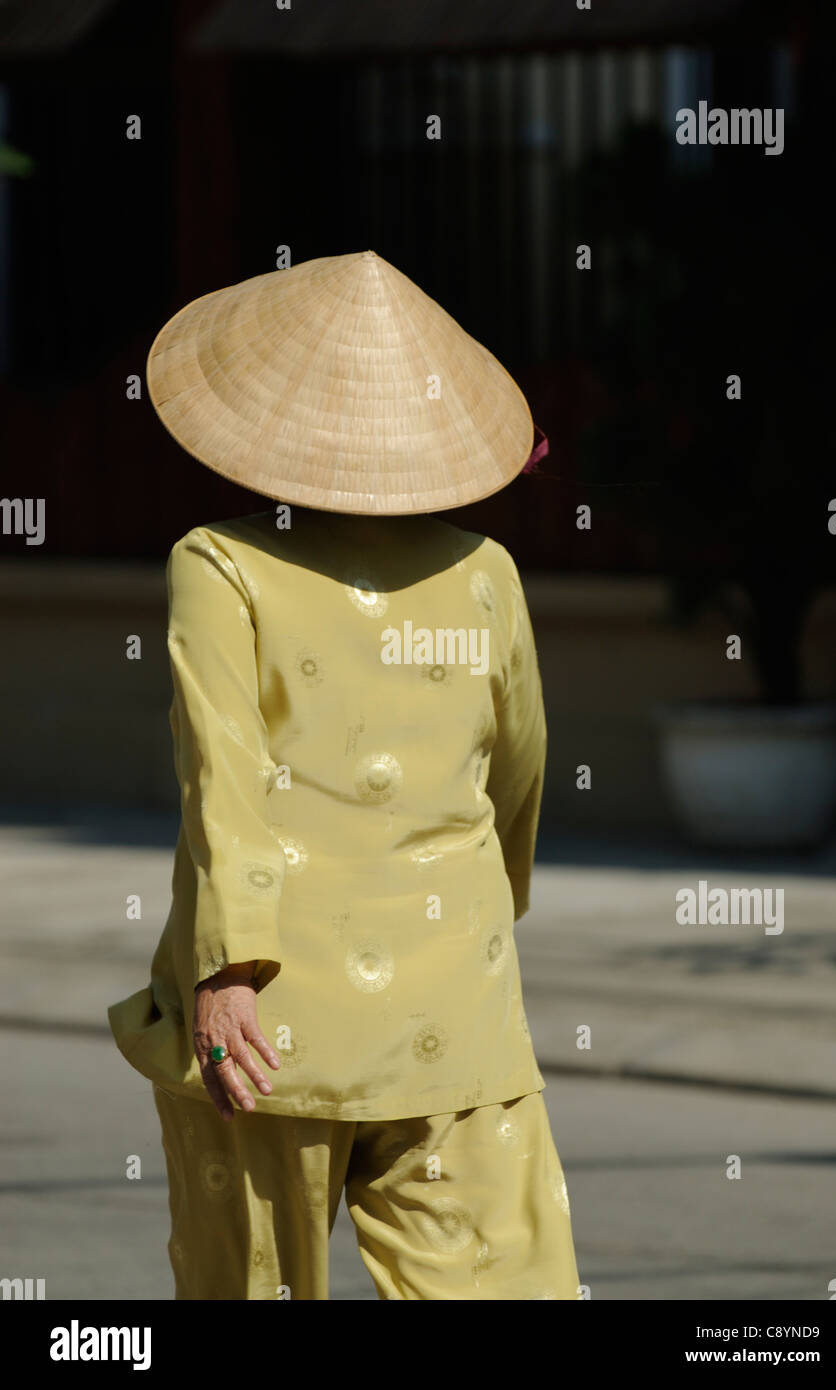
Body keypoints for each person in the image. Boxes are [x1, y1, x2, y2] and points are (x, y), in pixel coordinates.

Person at [108, 249, 580, 1301]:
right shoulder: (487, 573)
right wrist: (480, 923)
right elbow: (521, 771)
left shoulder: (218, 561)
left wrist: (229, 969)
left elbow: (222, 772)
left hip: (268, 1027)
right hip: (456, 1020)